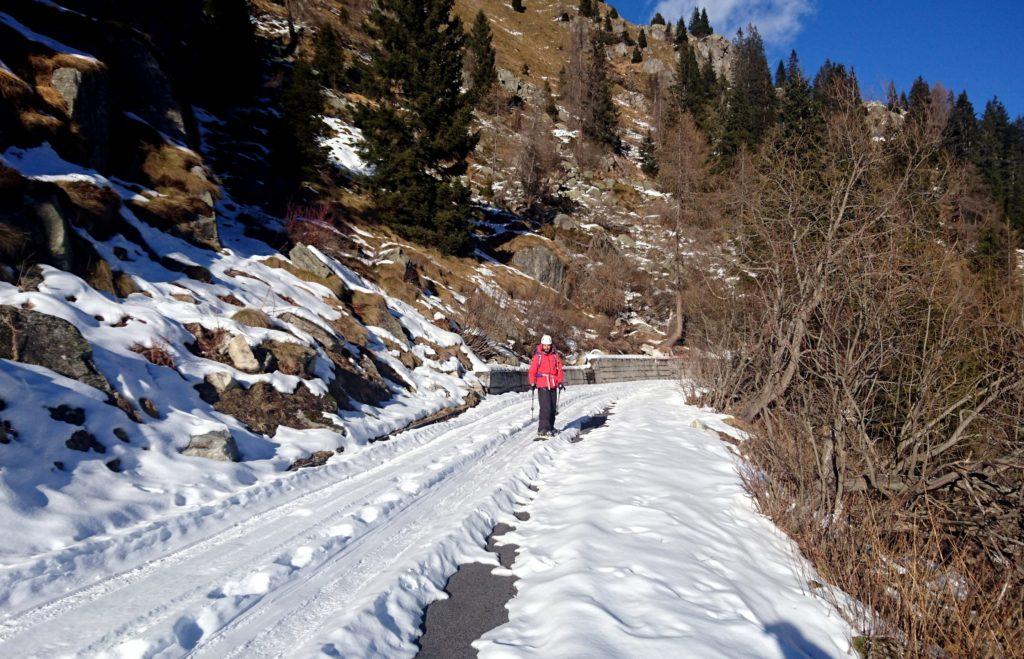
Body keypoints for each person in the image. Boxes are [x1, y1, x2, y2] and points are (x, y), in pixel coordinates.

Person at [528, 334, 564, 437]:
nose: (546, 347)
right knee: (545, 408)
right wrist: (532, 382)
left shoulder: (555, 356)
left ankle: (551, 428)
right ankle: (543, 429)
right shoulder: (538, 356)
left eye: (548, 345)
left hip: (553, 384)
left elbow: (559, 370)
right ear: (542, 345)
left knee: (553, 408)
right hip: (542, 384)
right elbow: (532, 370)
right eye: (545, 345)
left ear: (551, 345)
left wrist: (560, 381)